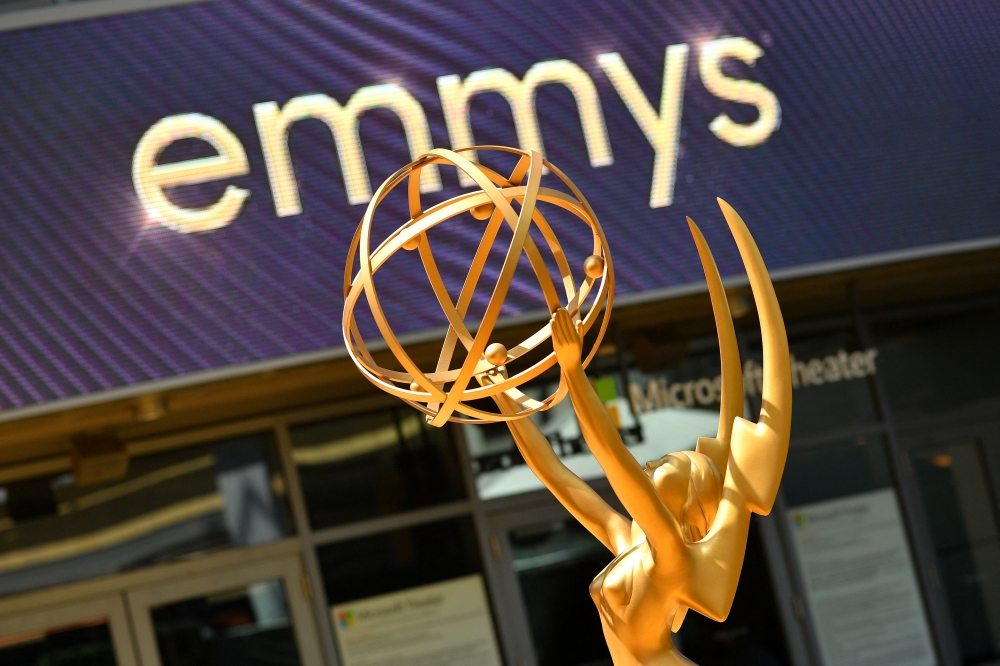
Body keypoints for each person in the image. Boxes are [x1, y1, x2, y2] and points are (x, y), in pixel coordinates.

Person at [493, 201, 791, 666]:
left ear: (690, 502)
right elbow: (557, 476)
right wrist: (505, 401)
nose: (654, 461)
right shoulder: (632, 543)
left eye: (670, 463)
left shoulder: (671, 552)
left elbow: (610, 455)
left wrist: (574, 372)